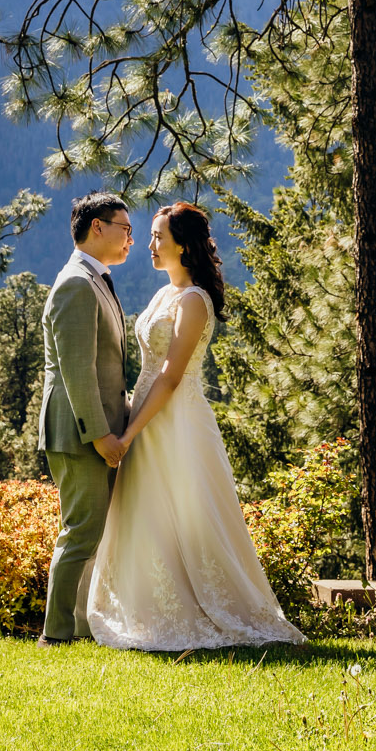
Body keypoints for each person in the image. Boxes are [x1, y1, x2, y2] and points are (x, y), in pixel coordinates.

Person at [86, 202, 305, 651]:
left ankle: (214, 611)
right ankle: (149, 607)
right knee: (147, 514)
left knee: (189, 514)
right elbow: (147, 371)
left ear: (182, 246)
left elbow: (170, 375)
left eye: (157, 237)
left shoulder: (194, 301)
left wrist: (128, 434)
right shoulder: (164, 295)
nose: (148, 244)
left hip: (177, 423)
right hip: (146, 416)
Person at [34, 191, 133, 646]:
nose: (130, 239)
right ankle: (56, 636)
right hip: (79, 434)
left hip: (94, 430)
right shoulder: (75, 282)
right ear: (98, 227)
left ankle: (79, 629)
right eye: (124, 229)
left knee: (89, 533)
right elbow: (77, 371)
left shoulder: (95, 279)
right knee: (80, 533)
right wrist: (100, 436)